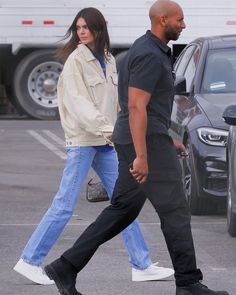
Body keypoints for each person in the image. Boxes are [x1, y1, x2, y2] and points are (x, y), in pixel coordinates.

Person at [44, 1, 230, 295]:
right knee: (176, 210)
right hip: (144, 144)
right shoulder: (148, 55)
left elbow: (151, 108)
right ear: (162, 20)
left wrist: (169, 136)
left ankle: (65, 267)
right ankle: (188, 283)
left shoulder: (150, 50)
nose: (184, 24)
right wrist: (142, 156)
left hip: (146, 138)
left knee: (122, 210)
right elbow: (135, 106)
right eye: (179, 19)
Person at [13, 7, 174, 286]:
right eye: (78, 28)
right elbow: (79, 104)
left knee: (125, 203)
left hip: (105, 141)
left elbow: (115, 101)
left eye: (87, 27)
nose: (82, 32)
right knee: (64, 205)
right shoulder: (76, 61)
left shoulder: (109, 59)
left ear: (99, 29)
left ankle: (141, 264)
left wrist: (120, 128)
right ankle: (30, 260)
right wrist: (107, 128)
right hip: (84, 141)